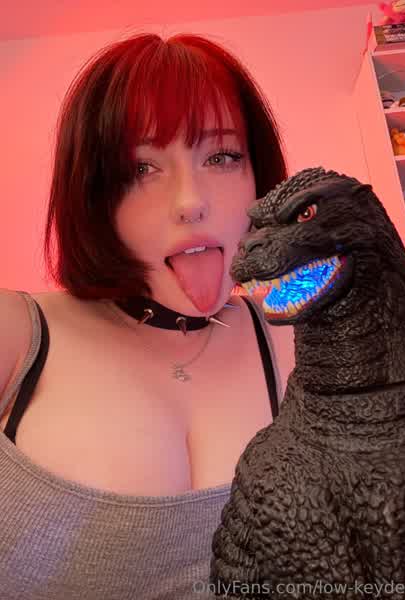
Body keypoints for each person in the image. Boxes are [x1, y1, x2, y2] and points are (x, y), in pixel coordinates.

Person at [0, 32, 295, 599]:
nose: (191, 201)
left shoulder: (297, 337)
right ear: (93, 194)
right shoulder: (18, 334)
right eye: (141, 168)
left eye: (223, 156)